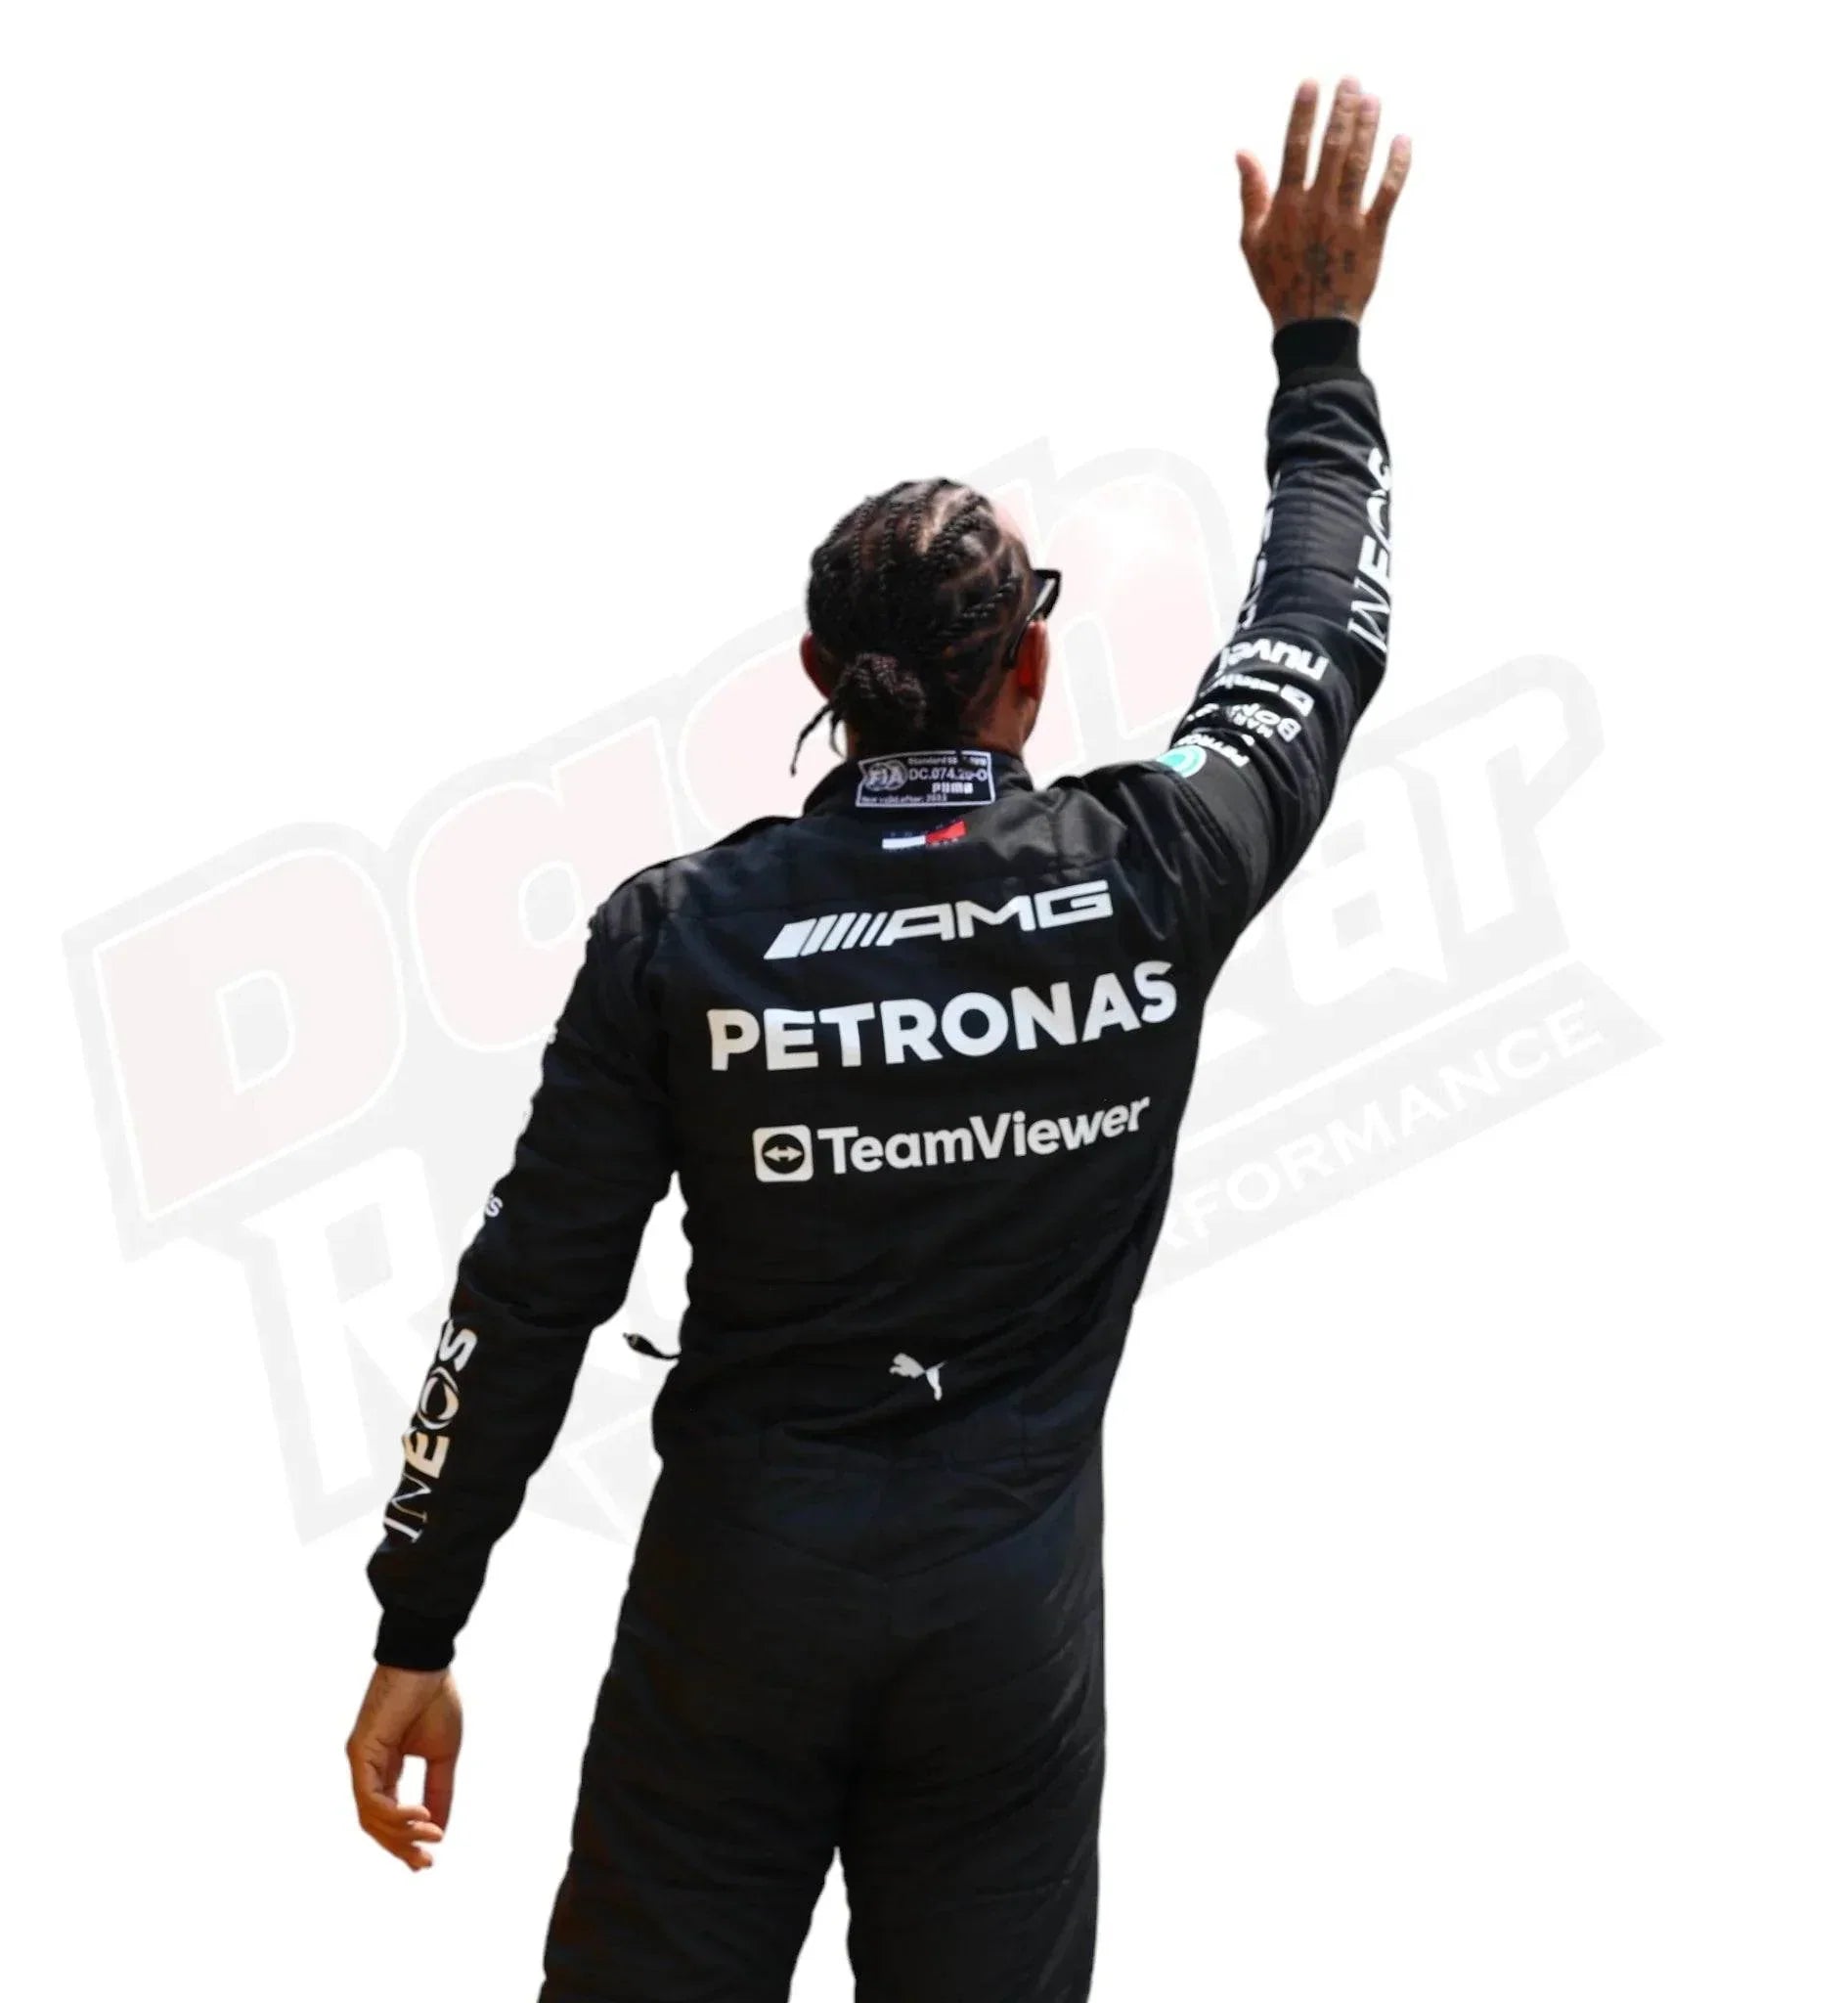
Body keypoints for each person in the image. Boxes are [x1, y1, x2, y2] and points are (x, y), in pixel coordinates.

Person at [348, 74, 1410, 2003]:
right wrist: (1316, 355)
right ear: (1031, 667)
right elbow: (1316, 639)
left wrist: (421, 1619)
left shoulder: (676, 934)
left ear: (819, 679)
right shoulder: (1152, 869)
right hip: (1005, 1645)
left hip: (735, 1616)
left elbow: (528, 1288)